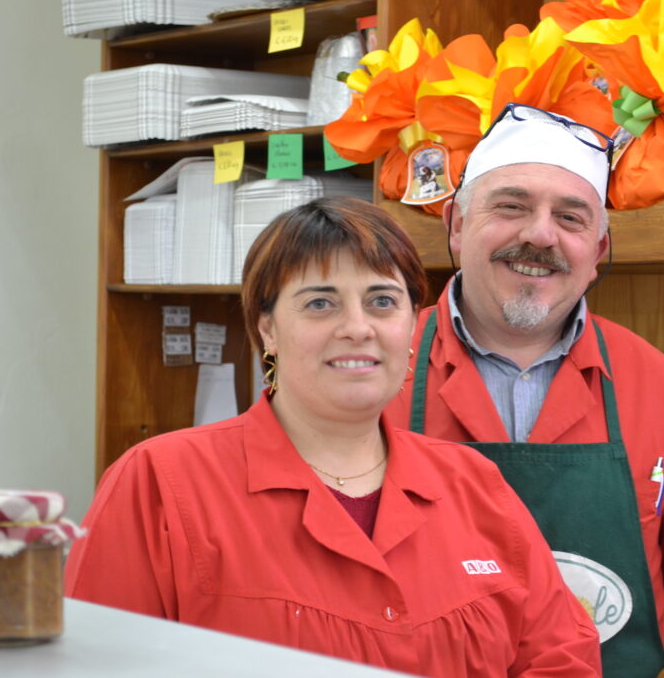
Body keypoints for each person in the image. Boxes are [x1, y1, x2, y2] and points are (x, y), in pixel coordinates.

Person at [65, 197, 602, 677]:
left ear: (412, 327)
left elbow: (561, 659)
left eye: (382, 302)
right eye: (320, 303)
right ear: (267, 328)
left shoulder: (474, 484)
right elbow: (91, 665)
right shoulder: (161, 482)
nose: (358, 327)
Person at [385, 104, 664, 677]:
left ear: (599, 253)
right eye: (511, 206)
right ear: (457, 227)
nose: (539, 235)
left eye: (571, 217)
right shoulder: (367, 375)